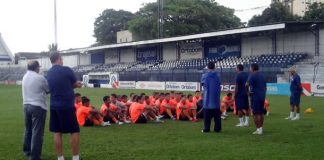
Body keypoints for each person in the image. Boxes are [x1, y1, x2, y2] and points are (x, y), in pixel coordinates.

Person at [46, 52, 82, 160]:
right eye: (61, 59)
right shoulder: (66, 70)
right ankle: (75, 157)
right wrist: (78, 85)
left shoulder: (49, 73)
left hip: (54, 105)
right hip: (66, 105)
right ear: (58, 59)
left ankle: (60, 158)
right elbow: (75, 83)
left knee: (57, 132)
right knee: (74, 131)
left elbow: (59, 85)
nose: (62, 61)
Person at [22, 60, 49, 160]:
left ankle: (27, 151)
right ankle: (35, 156)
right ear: (36, 67)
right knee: (37, 132)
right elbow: (48, 90)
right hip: (38, 106)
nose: (39, 69)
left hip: (26, 105)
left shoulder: (25, 76)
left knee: (28, 129)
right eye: (38, 67)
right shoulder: (40, 78)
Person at [246, 63, 267, 135]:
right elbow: (265, 87)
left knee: (255, 113)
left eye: (250, 68)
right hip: (262, 96)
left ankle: (258, 129)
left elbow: (246, 84)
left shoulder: (252, 75)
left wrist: (248, 92)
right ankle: (261, 128)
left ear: (252, 68)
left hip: (255, 96)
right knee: (261, 113)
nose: (249, 69)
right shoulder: (262, 75)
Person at [201, 62, 221, 133]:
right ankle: (217, 128)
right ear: (214, 67)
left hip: (207, 99)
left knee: (207, 116)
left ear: (208, 67)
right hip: (216, 99)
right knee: (217, 116)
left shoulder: (204, 75)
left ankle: (206, 128)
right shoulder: (218, 75)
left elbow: (203, 85)